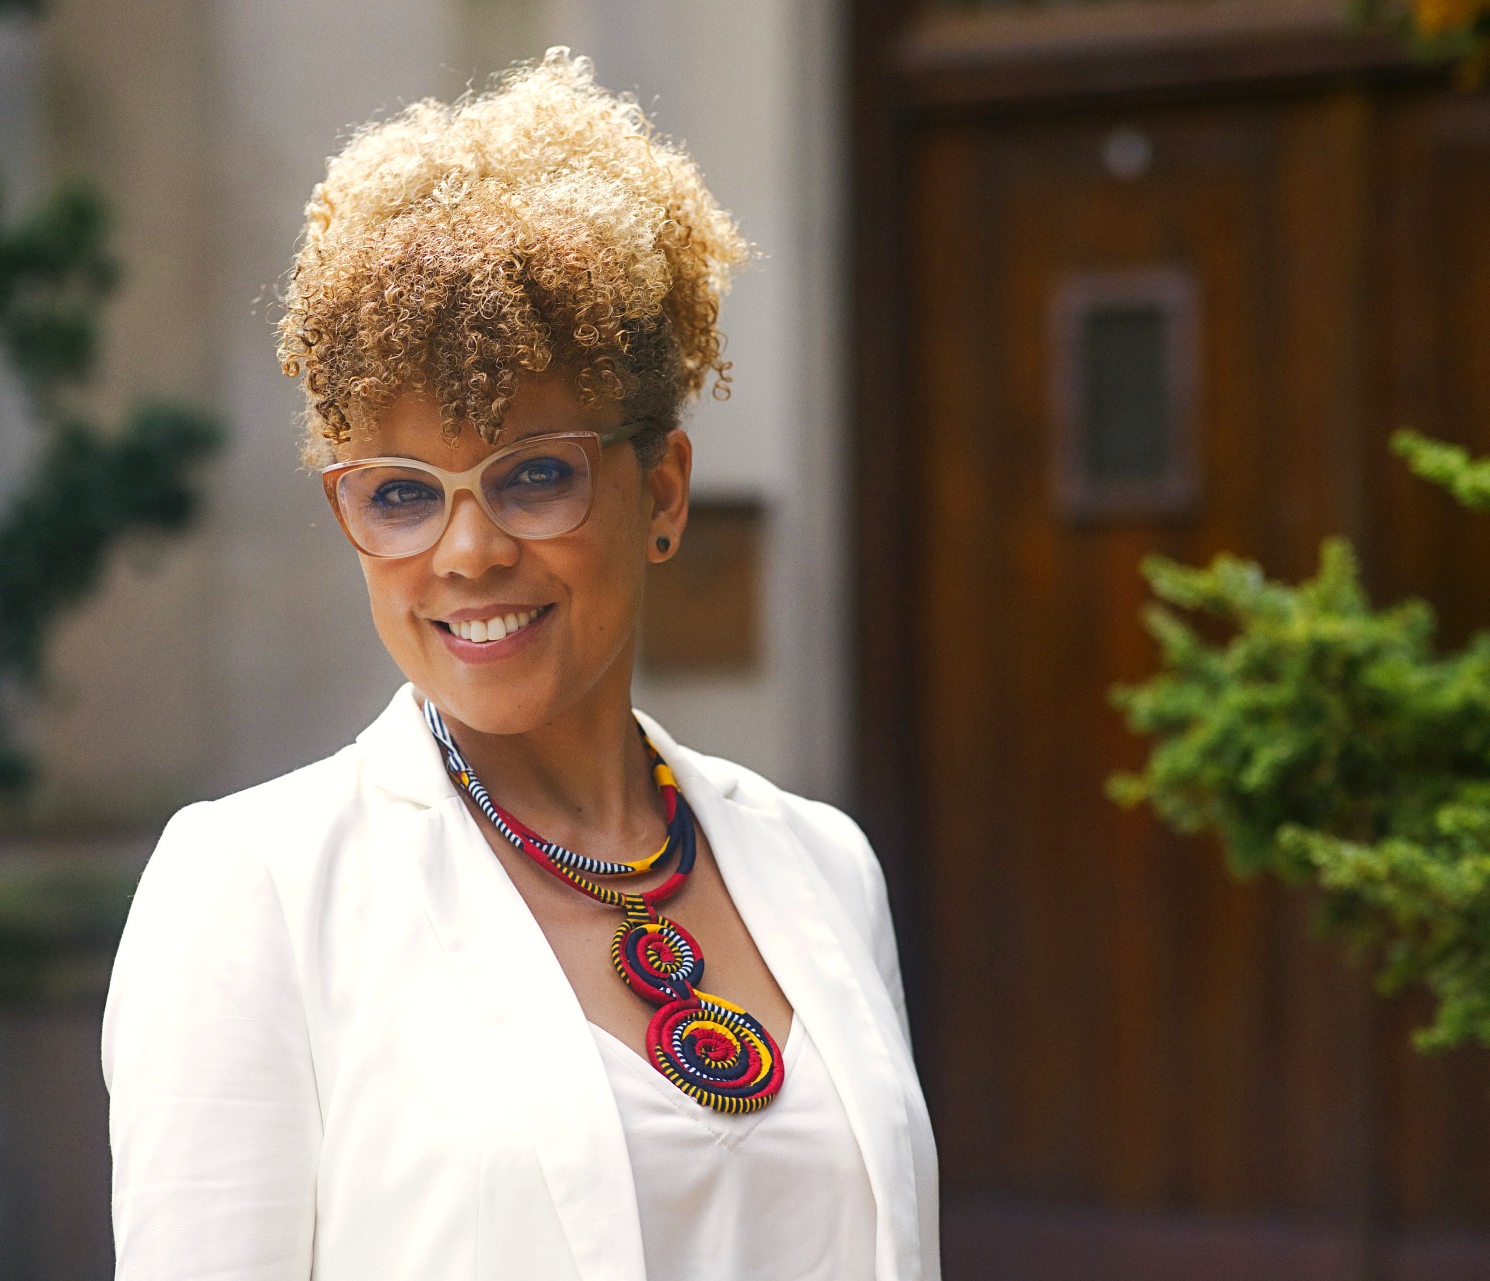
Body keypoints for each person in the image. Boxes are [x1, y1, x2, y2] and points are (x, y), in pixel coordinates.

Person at [101, 48, 939, 1281]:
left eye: (534, 473)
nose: (469, 549)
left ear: (660, 490)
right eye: (399, 494)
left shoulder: (821, 867)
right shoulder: (257, 895)